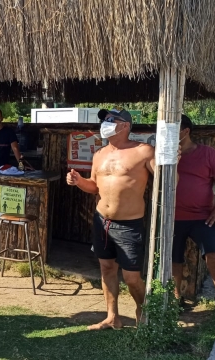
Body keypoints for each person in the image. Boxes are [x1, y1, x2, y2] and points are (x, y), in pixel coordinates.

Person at [66, 108, 154, 330]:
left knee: (132, 278)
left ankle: (143, 311)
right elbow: (94, 186)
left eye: (110, 119)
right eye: (104, 120)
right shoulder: (100, 154)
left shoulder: (144, 151)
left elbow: (168, 181)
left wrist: (173, 164)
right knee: (106, 268)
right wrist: (78, 181)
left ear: (125, 125)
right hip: (102, 221)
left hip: (129, 224)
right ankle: (112, 317)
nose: (105, 122)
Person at [173, 114, 215, 308]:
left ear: (185, 131)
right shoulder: (163, 154)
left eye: (173, 129)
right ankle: (175, 298)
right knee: (172, 259)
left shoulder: (208, 154)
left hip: (204, 216)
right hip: (172, 216)